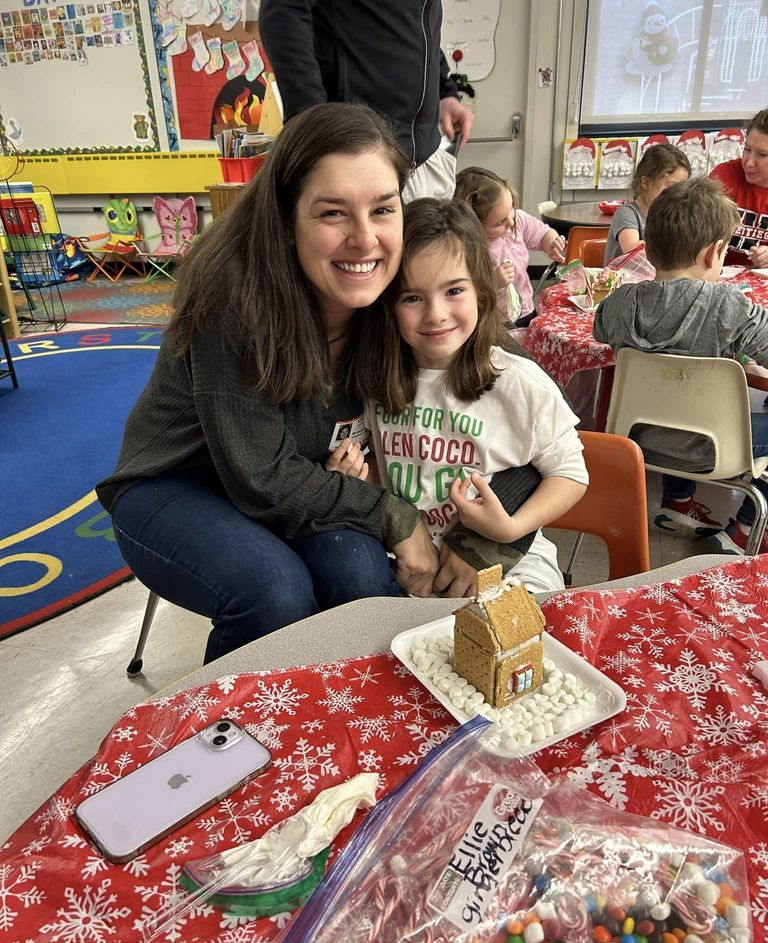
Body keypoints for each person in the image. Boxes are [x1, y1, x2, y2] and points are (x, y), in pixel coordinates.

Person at [97, 104, 532, 664]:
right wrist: (395, 517)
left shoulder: (399, 285)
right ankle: (234, 736)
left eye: (382, 209)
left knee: (359, 580)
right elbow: (261, 477)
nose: (364, 239)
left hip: (308, 482)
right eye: (333, 213)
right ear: (286, 218)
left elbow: (536, 409)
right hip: (178, 486)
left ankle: (358, 728)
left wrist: (489, 540)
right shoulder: (235, 303)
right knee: (274, 592)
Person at [345, 198, 588, 595]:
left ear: (481, 290)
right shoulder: (376, 383)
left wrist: (510, 528)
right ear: (388, 306)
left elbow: (571, 473)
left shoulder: (518, 380)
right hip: (413, 571)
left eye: (454, 290)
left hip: (516, 566)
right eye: (412, 297)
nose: (436, 313)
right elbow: (386, 474)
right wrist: (356, 475)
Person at [593, 177, 768, 555]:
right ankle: (746, 528)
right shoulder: (731, 308)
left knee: (673, 395)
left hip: (636, 441)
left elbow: (599, 328)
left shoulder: (621, 302)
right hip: (712, 451)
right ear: (714, 253)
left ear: (650, 247)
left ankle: (677, 499)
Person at [258, 0, 474, 203]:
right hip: (355, 158)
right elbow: (283, 11)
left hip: (427, 158)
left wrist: (444, 92)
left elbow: (419, 28)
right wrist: (313, 126)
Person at [454, 166, 565, 328]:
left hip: (527, 308)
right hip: (494, 320)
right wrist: (493, 281)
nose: (511, 222)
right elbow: (466, 291)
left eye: (511, 211)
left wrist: (551, 242)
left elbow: (541, 233)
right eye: (499, 222)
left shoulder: (518, 220)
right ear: (473, 225)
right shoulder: (468, 247)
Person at [604, 143, 690, 264]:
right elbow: (634, 253)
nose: (678, 194)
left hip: (655, 281)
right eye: (671, 186)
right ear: (645, 182)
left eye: (682, 188)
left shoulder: (672, 217)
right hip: (625, 281)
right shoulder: (627, 213)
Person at [709, 109, 768, 268]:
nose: (749, 162)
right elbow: (696, 227)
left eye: (762, 155)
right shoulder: (725, 175)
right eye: (747, 150)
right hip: (717, 274)